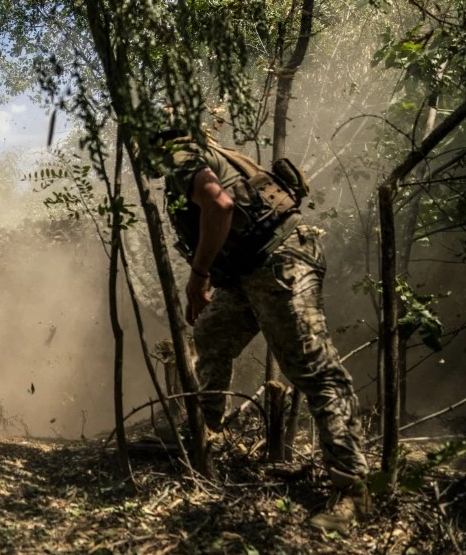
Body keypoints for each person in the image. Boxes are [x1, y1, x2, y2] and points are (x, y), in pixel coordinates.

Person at [156, 127, 370, 534]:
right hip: (253, 268)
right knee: (212, 335)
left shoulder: (181, 156)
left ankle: (352, 492)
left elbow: (220, 207)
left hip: (278, 262)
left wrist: (198, 276)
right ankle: (205, 434)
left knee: (314, 370)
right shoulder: (208, 150)